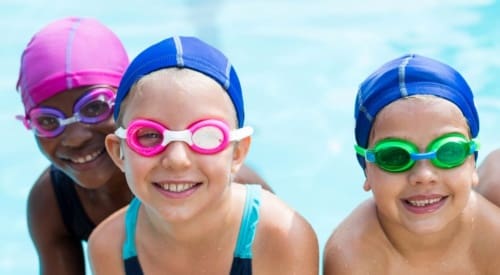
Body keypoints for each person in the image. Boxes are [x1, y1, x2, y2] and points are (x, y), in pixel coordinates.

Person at [16, 17, 272, 275]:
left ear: (131, 106)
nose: (75, 138)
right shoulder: (52, 203)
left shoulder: (232, 186)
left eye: (95, 107)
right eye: (47, 120)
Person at [87, 35, 319, 275]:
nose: (177, 160)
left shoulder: (280, 236)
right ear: (118, 151)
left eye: (205, 136)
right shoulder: (109, 246)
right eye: (150, 135)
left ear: (237, 152)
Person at [323, 54, 500, 274]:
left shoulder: (493, 238)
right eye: (395, 156)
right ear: (366, 170)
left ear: (472, 162)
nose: (424, 175)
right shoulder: (353, 254)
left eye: (448, 152)